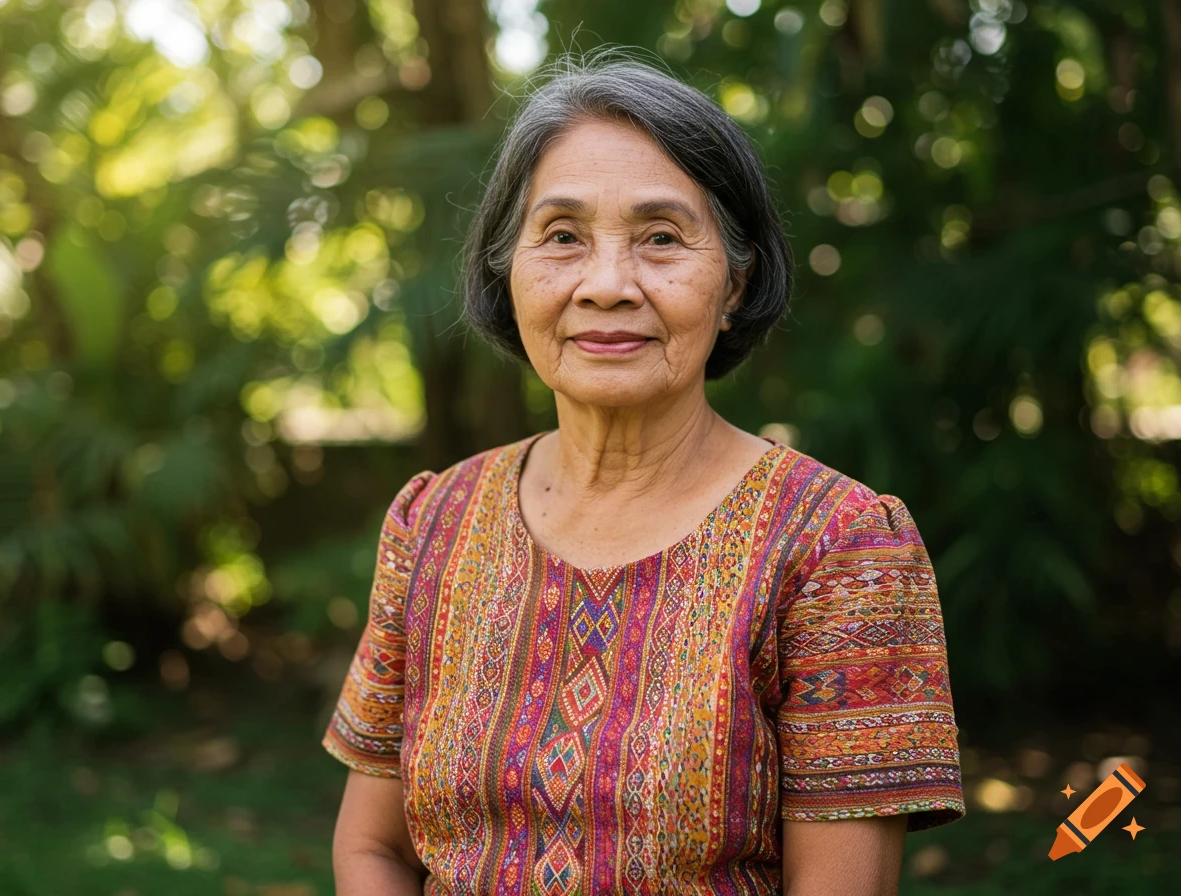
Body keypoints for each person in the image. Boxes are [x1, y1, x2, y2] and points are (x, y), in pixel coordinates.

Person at [324, 50, 964, 896]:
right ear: (506, 269)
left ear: (736, 280)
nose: (607, 284)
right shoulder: (433, 520)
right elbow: (373, 851)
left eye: (661, 238)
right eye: (561, 237)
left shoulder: (837, 548)